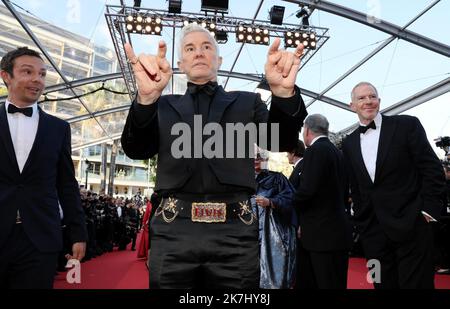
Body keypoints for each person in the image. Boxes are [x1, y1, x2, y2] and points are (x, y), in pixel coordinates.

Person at [121, 24, 307, 288]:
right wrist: (146, 99)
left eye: (206, 47)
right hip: (173, 232)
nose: (199, 53)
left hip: (236, 234)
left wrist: (284, 94)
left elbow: (280, 140)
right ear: (180, 63)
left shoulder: (247, 102)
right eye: (190, 48)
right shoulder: (162, 104)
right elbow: (136, 149)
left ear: (219, 60)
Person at [342, 82, 446, 289]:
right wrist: (362, 221)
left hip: (412, 226)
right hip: (373, 234)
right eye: (361, 98)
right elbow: (356, 186)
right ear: (352, 105)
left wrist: (427, 212)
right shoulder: (349, 143)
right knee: (380, 282)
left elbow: (432, 170)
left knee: (416, 285)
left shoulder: (407, 125)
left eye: (372, 96)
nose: (368, 101)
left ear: (379, 102)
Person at [0, 47, 87, 288]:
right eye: (27, 72)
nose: (37, 79)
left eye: (42, 74)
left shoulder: (58, 128)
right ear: (6, 76)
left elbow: (66, 184)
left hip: (40, 238)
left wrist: (78, 233)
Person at [293, 114, 351, 289]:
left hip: (320, 234)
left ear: (307, 130)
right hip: (337, 230)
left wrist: (284, 199)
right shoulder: (337, 152)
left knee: (321, 282)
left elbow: (307, 190)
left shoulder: (315, 151)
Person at [253, 148, 296, 289]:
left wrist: (271, 202)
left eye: (260, 157)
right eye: (253, 157)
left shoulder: (277, 178)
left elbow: (291, 199)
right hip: (246, 233)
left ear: (266, 159)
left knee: (272, 278)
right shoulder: (240, 180)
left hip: (271, 235)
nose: (256, 160)